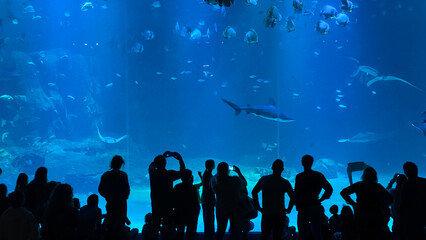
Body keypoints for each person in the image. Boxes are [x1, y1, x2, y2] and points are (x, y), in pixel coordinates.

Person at [340, 167, 393, 240]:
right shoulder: (377, 186)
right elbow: (390, 198)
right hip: (376, 216)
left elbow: (343, 192)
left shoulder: (359, 185)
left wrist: (353, 204)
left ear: (364, 175)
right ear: (375, 176)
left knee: (363, 235)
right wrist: (383, 205)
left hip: (361, 215)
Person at [290, 154, 333, 240]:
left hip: (302, 207)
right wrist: (321, 199)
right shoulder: (318, 175)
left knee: (302, 233)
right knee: (317, 232)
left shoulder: (299, 176)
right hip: (315, 206)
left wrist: (293, 204)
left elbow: (296, 193)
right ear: (312, 163)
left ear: (302, 163)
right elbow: (329, 189)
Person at [252, 159, 294, 240]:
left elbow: (254, 192)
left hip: (266, 212)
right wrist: (289, 209)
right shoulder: (284, 182)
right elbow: (293, 197)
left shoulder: (264, 179)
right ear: (282, 169)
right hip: (280, 212)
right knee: (277, 236)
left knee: (265, 235)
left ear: (272, 168)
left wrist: (258, 207)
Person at [149, 151, 185, 240]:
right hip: (167, 203)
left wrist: (163, 156)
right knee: (167, 225)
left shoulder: (153, 173)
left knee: (156, 225)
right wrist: (180, 159)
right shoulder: (169, 174)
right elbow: (183, 172)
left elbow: (151, 166)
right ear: (165, 163)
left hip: (156, 203)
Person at [210, 162, 247, 240]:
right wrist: (239, 172)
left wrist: (220, 171)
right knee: (235, 231)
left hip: (221, 208)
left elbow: (212, 184)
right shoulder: (235, 180)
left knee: (220, 230)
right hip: (235, 208)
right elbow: (245, 183)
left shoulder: (214, 181)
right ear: (227, 170)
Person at [98, 155, 130, 240]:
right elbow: (127, 190)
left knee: (110, 224)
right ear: (121, 164)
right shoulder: (123, 175)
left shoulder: (106, 175)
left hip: (110, 203)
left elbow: (100, 189)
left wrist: (108, 196)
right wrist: (124, 197)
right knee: (120, 225)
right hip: (122, 204)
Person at [400, 161, 426, 240]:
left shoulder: (405, 185)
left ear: (406, 172)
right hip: (422, 216)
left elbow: (402, 203)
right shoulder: (424, 182)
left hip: (410, 218)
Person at [173, 169, 201, 240]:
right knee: (190, 234)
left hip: (179, 213)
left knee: (179, 232)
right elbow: (195, 202)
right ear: (190, 177)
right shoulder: (193, 188)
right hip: (190, 214)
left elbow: (174, 201)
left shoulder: (177, 187)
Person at [386, 173, 406, 240]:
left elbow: (385, 192)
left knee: (396, 235)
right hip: (408, 221)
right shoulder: (410, 192)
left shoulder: (393, 192)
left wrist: (392, 181)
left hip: (396, 221)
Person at [200, 159, 216, 240]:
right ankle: (210, 236)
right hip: (208, 200)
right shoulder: (210, 176)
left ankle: (208, 235)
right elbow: (212, 189)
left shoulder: (205, 174)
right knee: (209, 218)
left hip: (204, 199)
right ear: (213, 166)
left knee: (207, 218)